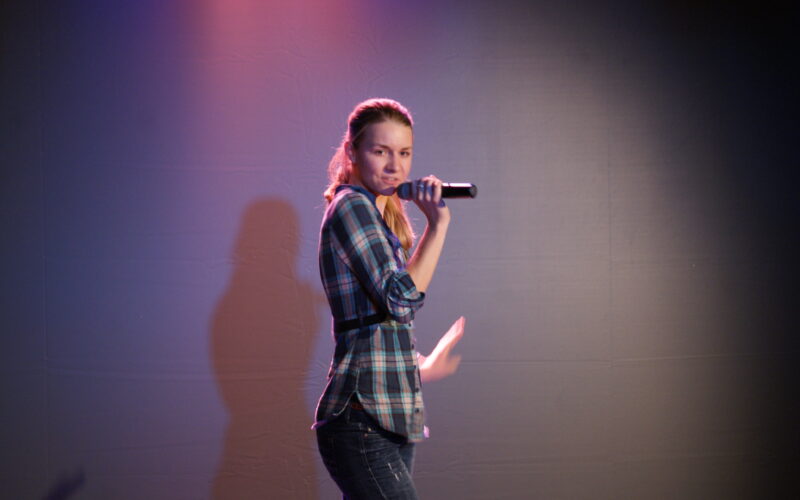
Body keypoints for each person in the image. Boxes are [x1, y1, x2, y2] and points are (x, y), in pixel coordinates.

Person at [313, 98, 465, 499]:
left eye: (404, 153)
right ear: (352, 152)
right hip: (362, 419)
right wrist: (438, 225)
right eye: (380, 151)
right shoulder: (351, 206)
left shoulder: (381, 217)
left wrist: (420, 364)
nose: (395, 166)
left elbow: (374, 321)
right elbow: (400, 301)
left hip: (391, 415)